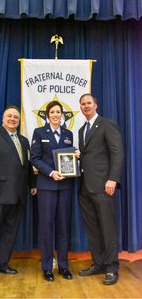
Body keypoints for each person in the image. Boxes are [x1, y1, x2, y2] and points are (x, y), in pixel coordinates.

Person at [0, 106, 37, 282]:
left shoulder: (24, 141)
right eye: (9, 116)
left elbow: (26, 165)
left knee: (8, 233)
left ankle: (1, 264)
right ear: (2, 119)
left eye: (15, 117)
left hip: (17, 195)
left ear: (19, 121)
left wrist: (32, 184)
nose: (12, 119)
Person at [75, 93, 124, 285]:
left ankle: (111, 267)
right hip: (85, 187)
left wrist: (112, 179)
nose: (86, 106)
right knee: (93, 228)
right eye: (83, 104)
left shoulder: (107, 124)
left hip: (104, 186)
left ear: (96, 105)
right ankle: (98, 263)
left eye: (88, 103)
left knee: (108, 227)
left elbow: (117, 153)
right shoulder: (81, 130)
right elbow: (91, 155)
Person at [30, 101, 74, 282]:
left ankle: (63, 266)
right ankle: (47, 267)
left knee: (64, 227)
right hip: (46, 186)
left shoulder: (68, 134)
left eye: (58, 112)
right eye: (52, 112)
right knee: (46, 227)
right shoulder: (39, 133)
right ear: (47, 115)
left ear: (62, 115)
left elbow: (69, 158)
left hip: (65, 187)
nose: (56, 114)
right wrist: (50, 172)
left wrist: (76, 156)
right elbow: (35, 158)